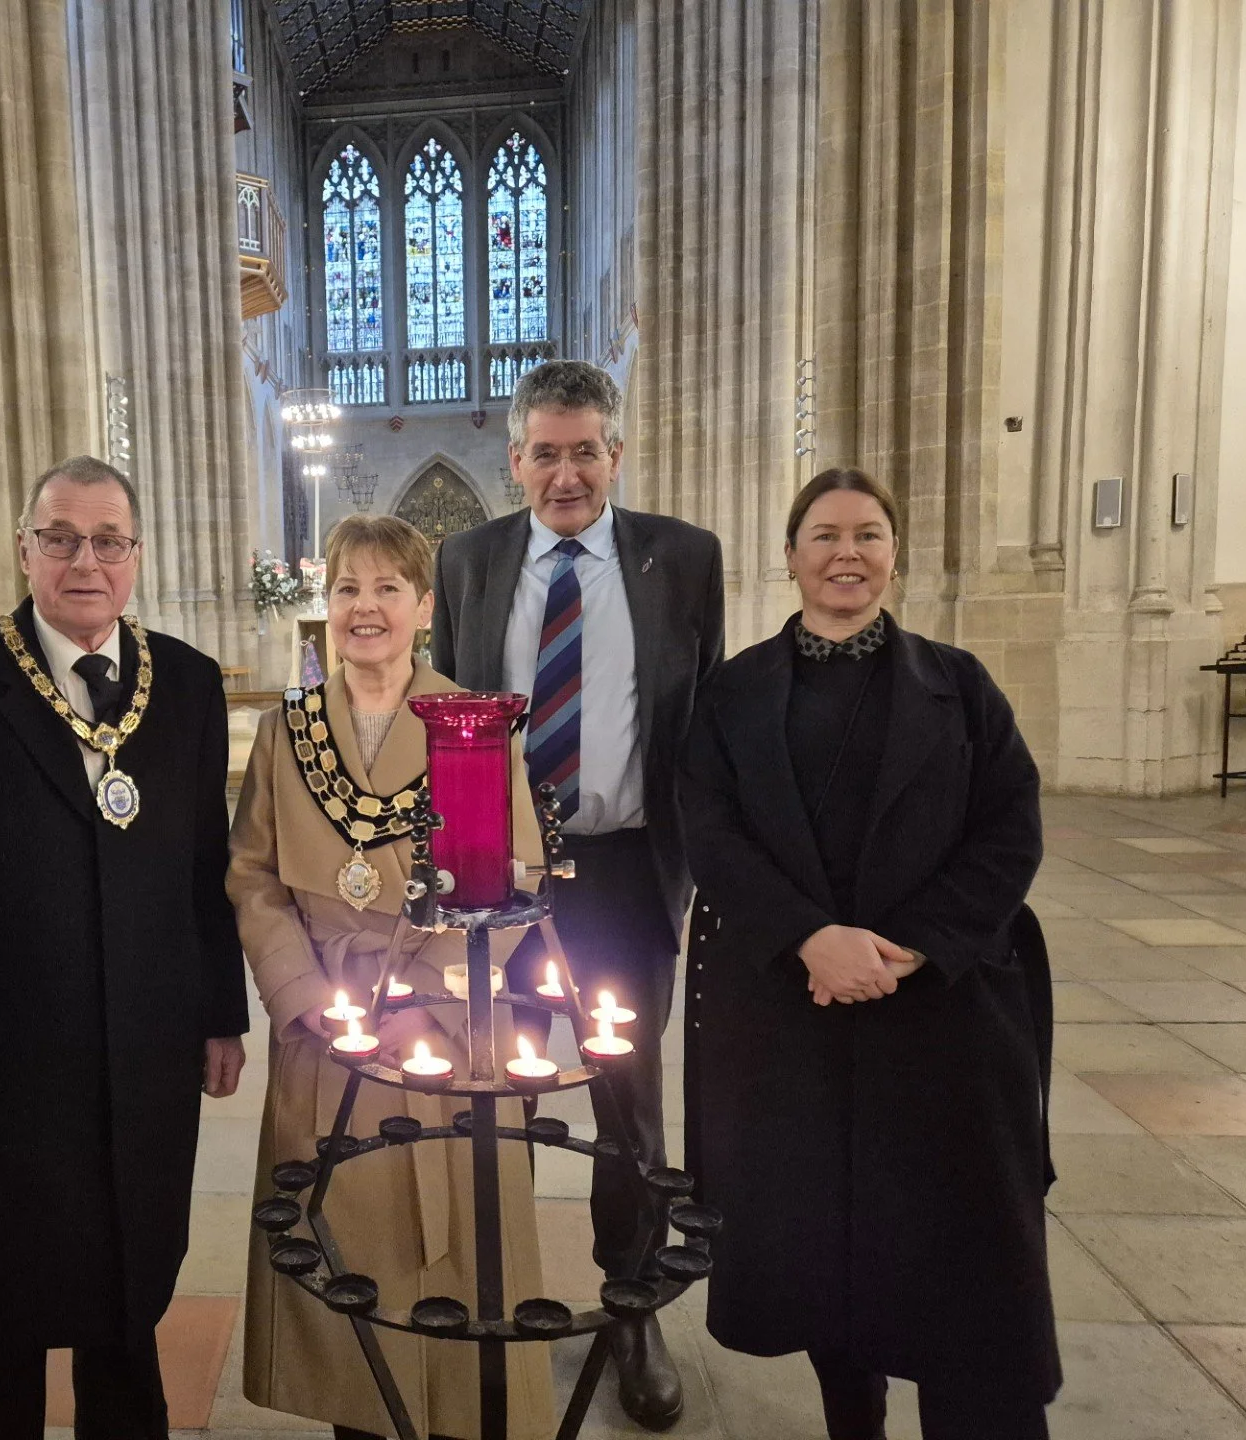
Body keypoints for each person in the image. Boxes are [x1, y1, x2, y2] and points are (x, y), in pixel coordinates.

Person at [0, 455, 249, 1440]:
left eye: (108, 540)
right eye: (62, 537)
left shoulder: (189, 687)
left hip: (148, 1055)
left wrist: (219, 1011)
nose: (86, 560)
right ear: (24, 549)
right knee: (5, 1317)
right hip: (0, 1065)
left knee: (127, 1303)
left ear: (136, 556)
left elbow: (208, 866)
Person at [679, 468, 1059, 1439]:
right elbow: (710, 833)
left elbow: (1010, 831)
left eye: (868, 534)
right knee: (826, 1253)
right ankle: (854, 1421)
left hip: (942, 1024)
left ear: (895, 551)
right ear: (791, 555)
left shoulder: (959, 685)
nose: (847, 552)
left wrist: (914, 948)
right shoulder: (734, 693)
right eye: (824, 534)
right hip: (794, 1023)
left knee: (959, 1265)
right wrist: (809, 937)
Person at [428, 358, 722, 1428]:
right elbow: (447, 718)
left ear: (616, 453)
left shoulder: (682, 560)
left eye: (584, 450)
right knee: (473, 1092)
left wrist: (702, 874)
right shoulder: (468, 559)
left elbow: (702, 732)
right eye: (544, 453)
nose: (565, 472)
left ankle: (631, 1304)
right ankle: (475, 1288)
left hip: (625, 874)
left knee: (627, 1108)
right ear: (516, 461)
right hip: (494, 882)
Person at [231, 515, 553, 1440]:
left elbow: (521, 871)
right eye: (346, 589)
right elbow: (253, 876)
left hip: (447, 1030)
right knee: (346, 1263)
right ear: (325, 606)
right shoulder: (285, 732)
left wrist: (426, 983)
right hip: (328, 1032)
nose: (364, 608)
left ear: (424, 606)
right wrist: (301, 998)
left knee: (454, 1278)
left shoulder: (480, 728)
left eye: (385, 589)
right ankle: (358, 1420)